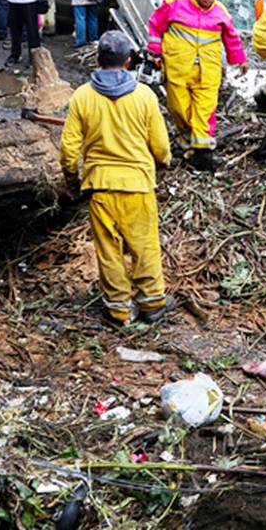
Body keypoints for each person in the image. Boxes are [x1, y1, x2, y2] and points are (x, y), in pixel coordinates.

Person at [59, 31, 172, 327]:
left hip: (101, 186)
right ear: (128, 61)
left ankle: (120, 310)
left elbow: (69, 148)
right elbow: (160, 145)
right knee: (144, 245)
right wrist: (163, 162)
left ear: (98, 60)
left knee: (109, 251)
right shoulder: (144, 95)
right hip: (137, 185)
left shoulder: (82, 96)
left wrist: (73, 180)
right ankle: (152, 304)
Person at [147, 0, 248, 171]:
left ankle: (202, 150)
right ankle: (187, 142)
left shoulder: (220, 12)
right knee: (179, 108)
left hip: (208, 70)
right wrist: (155, 52)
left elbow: (231, 38)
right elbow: (155, 25)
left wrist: (240, 60)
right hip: (178, 69)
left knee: (205, 110)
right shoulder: (175, 3)